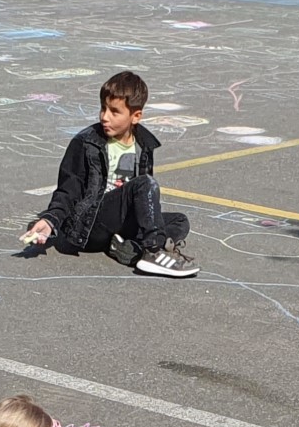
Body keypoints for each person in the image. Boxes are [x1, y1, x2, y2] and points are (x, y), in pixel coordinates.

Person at [21, 71, 200, 277]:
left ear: (136, 116)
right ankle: (152, 251)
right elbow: (68, 190)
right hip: (91, 224)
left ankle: (128, 248)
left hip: (120, 222)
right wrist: (50, 220)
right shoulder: (86, 143)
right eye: (103, 108)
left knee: (179, 221)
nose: (105, 117)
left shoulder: (143, 145)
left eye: (114, 112)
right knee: (145, 184)